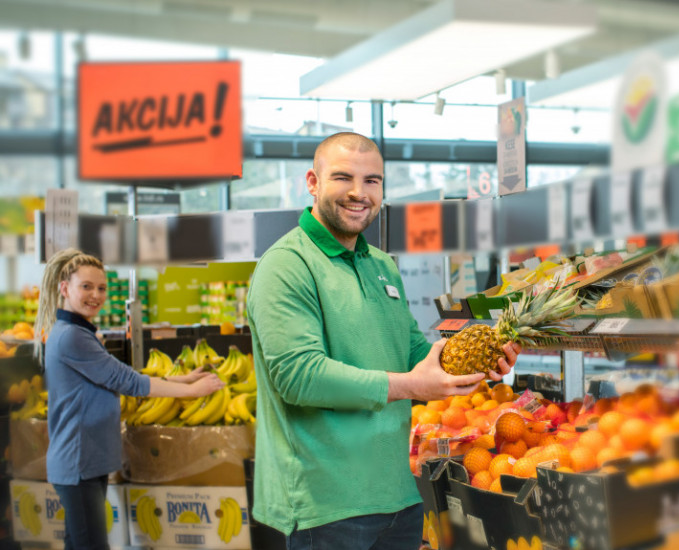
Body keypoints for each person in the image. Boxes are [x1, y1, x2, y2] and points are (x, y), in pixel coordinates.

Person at [247, 131, 520, 549]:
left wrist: (478, 358)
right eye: (343, 178)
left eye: (372, 181)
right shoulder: (286, 266)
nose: (359, 193)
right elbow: (299, 376)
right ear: (313, 182)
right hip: (324, 505)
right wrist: (411, 386)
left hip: (398, 497)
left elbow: (411, 353)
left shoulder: (381, 266)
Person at [35, 249, 225, 550]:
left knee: (78, 543)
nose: (95, 295)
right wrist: (191, 392)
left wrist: (183, 379)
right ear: (64, 288)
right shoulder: (72, 336)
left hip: (84, 463)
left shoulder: (75, 333)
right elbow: (129, 383)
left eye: (101, 288)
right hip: (78, 463)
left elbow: (120, 374)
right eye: (86, 286)